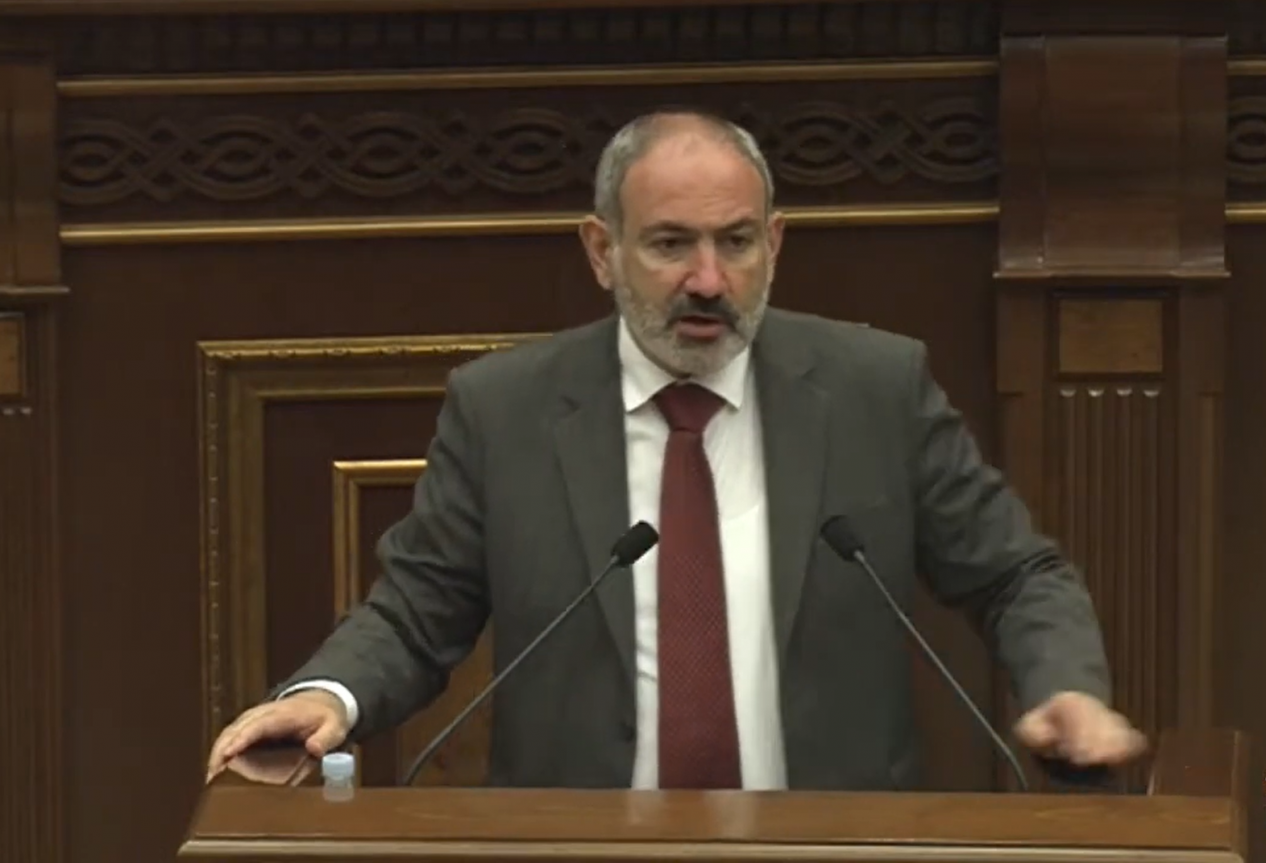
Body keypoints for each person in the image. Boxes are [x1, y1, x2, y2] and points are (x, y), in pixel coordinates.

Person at [206, 111, 1146, 790]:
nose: (708, 279)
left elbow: (1015, 574)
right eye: (670, 244)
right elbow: (418, 609)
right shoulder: (506, 409)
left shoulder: (876, 389)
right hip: (582, 847)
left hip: (831, 843)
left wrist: (1066, 684)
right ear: (601, 250)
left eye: (736, 243)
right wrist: (330, 694)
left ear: (775, 244)